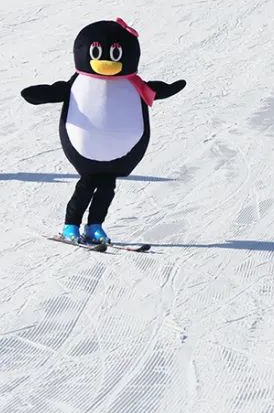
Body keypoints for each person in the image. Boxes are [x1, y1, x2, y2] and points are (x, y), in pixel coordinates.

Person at [20, 19, 186, 246]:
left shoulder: (133, 84)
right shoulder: (82, 82)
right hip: (86, 150)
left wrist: (170, 88)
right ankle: (71, 225)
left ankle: (94, 225)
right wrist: (39, 94)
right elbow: (57, 91)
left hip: (119, 153)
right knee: (86, 185)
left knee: (107, 188)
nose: (106, 63)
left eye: (116, 54)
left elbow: (155, 90)